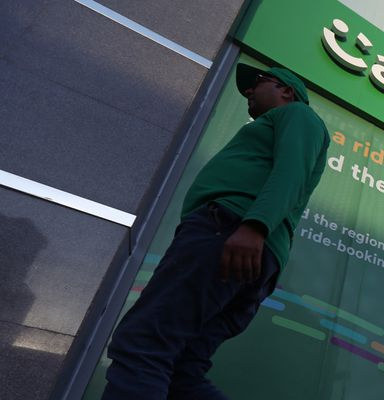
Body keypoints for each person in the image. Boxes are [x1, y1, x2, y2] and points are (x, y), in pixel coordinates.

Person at [102, 63, 329, 400]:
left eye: (258, 82)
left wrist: (255, 225)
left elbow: (291, 172)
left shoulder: (298, 115)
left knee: (143, 344)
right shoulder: (280, 121)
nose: (249, 91)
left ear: (286, 91)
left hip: (230, 233)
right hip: (242, 244)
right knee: (183, 371)